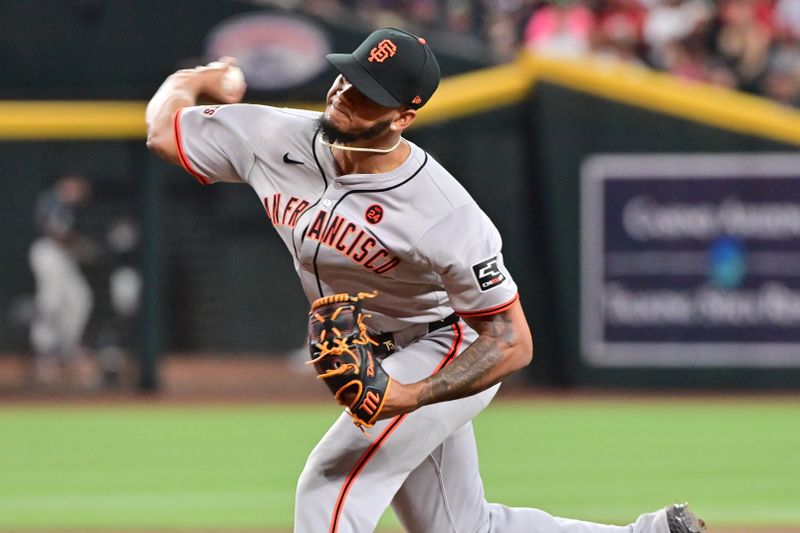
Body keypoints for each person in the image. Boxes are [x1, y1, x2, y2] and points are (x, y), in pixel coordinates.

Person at [146, 28, 706, 533]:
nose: (343, 91)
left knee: (332, 481)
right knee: (461, 528)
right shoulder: (274, 136)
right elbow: (164, 134)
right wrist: (197, 77)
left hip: (448, 342)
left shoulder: (443, 212)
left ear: (403, 117)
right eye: (348, 73)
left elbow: (511, 341)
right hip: (381, 352)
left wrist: (409, 396)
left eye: (368, 90)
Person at [29, 174, 95, 385]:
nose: (79, 196)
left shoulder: (69, 207)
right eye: (78, 190)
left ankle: (67, 348)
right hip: (46, 252)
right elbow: (53, 232)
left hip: (62, 256)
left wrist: (77, 246)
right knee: (50, 301)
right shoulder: (51, 199)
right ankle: (45, 352)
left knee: (80, 298)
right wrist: (79, 244)